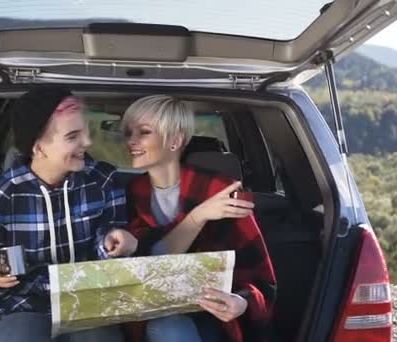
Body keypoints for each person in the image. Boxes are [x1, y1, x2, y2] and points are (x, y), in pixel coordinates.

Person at [0, 87, 138, 342]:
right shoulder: (2, 195)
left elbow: (109, 251)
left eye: (86, 132)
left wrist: (114, 242)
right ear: (38, 148)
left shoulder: (104, 179)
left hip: (89, 301)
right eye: (73, 136)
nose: (88, 143)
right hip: (24, 305)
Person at [112, 95, 276, 342]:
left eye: (143, 132)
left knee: (171, 328)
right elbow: (152, 261)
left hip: (210, 314)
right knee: (168, 326)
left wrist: (241, 301)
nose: (131, 141)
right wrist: (198, 216)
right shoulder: (128, 194)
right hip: (146, 313)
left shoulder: (219, 190)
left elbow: (260, 276)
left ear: (175, 140)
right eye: (128, 133)